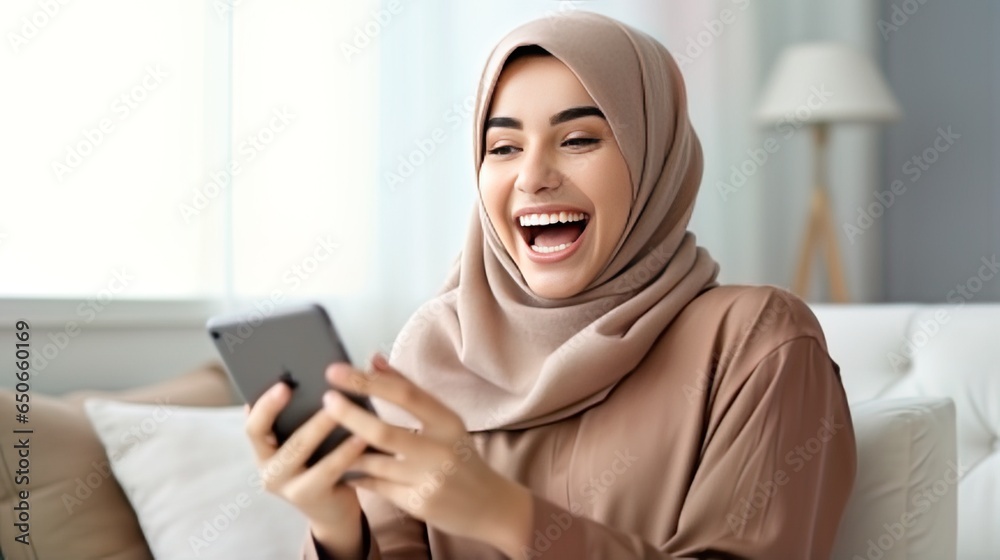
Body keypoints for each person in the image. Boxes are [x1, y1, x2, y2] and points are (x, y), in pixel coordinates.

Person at [245, 11, 856, 559]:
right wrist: (337, 530)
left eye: (579, 139)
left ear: (654, 160)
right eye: (503, 147)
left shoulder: (754, 340)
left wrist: (507, 516)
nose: (532, 177)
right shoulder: (435, 348)